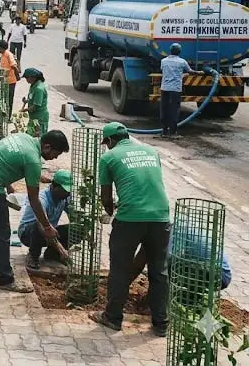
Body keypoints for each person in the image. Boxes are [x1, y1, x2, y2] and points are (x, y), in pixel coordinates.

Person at [90, 122, 170, 336]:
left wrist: (110, 209)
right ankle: (161, 324)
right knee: (159, 271)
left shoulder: (108, 157)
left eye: (106, 144)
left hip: (130, 218)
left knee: (120, 267)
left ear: (109, 141)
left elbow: (106, 197)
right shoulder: (152, 152)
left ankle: (113, 317)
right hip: (161, 217)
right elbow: (149, 183)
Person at [0, 131, 70, 292]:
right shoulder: (32, 160)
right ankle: (6, 279)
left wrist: (7, 183)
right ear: (47, 146)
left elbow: (3, 156)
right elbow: (34, 199)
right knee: (0, 234)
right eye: (55, 154)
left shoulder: (24, 138)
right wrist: (48, 227)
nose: (54, 158)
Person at [19, 170, 74, 270]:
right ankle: (33, 255)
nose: (67, 193)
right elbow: (42, 225)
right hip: (29, 233)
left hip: (50, 233)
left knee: (75, 229)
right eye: (64, 190)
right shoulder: (41, 198)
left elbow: (73, 217)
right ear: (54, 186)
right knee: (39, 225)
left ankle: (53, 254)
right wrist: (61, 249)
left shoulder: (65, 197)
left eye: (69, 191)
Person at [159, 43, 194, 138]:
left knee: (164, 109)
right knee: (174, 109)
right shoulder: (182, 62)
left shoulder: (163, 61)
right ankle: (173, 132)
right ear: (179, 51)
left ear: (170, 51)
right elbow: (190, 71)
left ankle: (164, 131)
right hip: (175, 89)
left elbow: (163, 70)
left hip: (164, 88)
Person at [22, 68, 49, 137]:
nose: (26, 80)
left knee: (38, 137)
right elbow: (32, 97)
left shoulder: (39, 89)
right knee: (30, 136)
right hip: (33, 117)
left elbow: (35, 106)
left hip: (39, 118)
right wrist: (26, 101)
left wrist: (24, 110)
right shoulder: (33, 85)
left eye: (27, 78)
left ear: (33, 78)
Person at [0, 40, 21, 117]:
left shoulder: (8, 54)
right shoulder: (3, 55)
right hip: (5, 81)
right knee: (4, 98)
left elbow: (13, 65)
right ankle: (5, 113)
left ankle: (8, 116)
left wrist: (17, 76)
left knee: (9, 99)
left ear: (1, 48)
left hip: (10, 81)